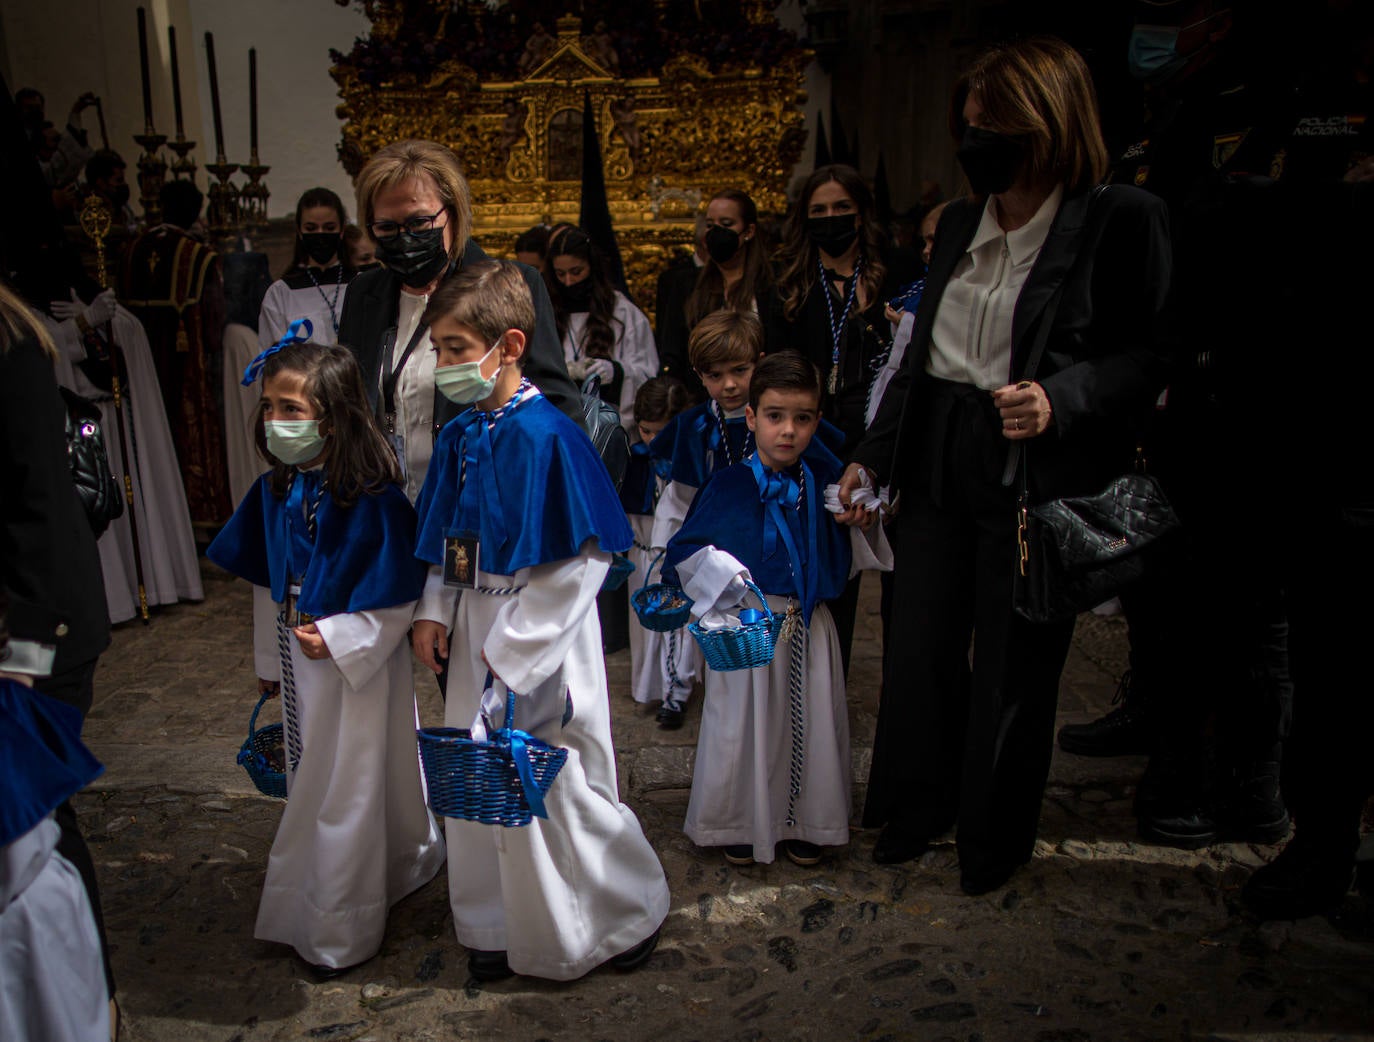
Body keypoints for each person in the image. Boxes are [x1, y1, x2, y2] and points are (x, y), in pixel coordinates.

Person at [835, 36, 1171, 895]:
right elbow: (920, 358)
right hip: (939, 449)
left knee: (1017, 660)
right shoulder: (955, 223)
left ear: (1048, 125)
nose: (976, 141)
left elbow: (1147, 353)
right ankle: (917, 810)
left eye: (995, 127)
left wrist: (1064, 397)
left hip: (1033, 463)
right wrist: (872, 458)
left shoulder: (1118, 216)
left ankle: (994, 835)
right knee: (918, 644)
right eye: (970, 125)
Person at [409, 260, 669, 982]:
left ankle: (616, 916)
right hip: (474, 638)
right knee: (479, 778)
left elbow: (579, 564)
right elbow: (454, 536)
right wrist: (435, 610)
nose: (445, 365)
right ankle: (496, 925)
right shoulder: (464, 437)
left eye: (458, 349)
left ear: (511, 344)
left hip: (540, 646)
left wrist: (514, 650)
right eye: (439, 351)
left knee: (554, 778)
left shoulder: (551, 437)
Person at [207, 334, 445, 975]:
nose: (275, 422)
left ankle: (340, 926)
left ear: (334, 418)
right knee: (312, 776)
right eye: (269, 409)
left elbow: (399, 599)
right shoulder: (275, 491)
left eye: (292, 409)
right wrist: (270, 658)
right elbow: (269, 583)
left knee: (350, 784)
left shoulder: (376, 502)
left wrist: (341, 638)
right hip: (301, 658)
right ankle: (353, 878)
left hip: (356, 670)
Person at [664, 353, 890, 867]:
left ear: (817, 419)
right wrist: (725, 576)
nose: (788, 431)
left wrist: (863, 515)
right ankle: (739, 821)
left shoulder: (829, 479)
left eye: (803, 418)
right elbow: (681, 556)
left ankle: (809, 818)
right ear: (752, 416)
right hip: (747, 625)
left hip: (809, 625)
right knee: (742, 726)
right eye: (774, 416)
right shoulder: (726, 485)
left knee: (811, 723)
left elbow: (859, 544)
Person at [336, 139, 581, 504]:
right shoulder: (364, 294)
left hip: (481, 502)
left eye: (419, 223)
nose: (405, 240)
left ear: (452, 211)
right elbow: (350, 402)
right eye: (386, 228)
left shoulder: (511, 282)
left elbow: (557, 407)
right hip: (386, 509)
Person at [0, 280, 117, 1039]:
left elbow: (35, 507)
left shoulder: (9, 344)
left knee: (33, 815)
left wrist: (21, 662)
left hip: (32, 630)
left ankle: (87, 1008)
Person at [767, 164, 919, 677]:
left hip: (887, 428)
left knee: (903, 568)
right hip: (818, 433)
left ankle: (905, 679)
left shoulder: (897, 272)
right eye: (819, 211)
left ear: (861, 212)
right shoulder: (786, 278)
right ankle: (825, 679)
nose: (831, 219)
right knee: (831, 562)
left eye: (841, 209)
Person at [44, 281, 204, 624]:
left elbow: (130, 336)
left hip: (117, 419)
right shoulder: (35, 308)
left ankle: (146, 586)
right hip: (84, 423)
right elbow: (50, 348)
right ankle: (114, 598)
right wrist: (82, 324)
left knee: (128, 502)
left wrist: (103, 322)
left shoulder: (98, 294)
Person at [645, 310, 762, 729]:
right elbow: (677, 499)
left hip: (757, 545)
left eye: (740, 371)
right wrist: (667, 550)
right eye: (714, 375)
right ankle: (677, 692)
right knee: (692, 628)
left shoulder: (772, 419)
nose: (728, 385)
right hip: (705, 548)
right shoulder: (692, 427)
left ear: (758, 363)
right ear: (699, 375)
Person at [122, 178, 231, 526]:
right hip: (187, 366)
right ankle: (202, 514)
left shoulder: (131, 249)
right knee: (192, 431)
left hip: (138, 364)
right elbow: (214, 322)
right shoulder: (197, 255)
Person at [657, 189, 773, 402]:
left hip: (765, 399)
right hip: (701, 404)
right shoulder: (686, 285)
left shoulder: (773, 284)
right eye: (710, 225)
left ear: (749, 231)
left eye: (727, 224)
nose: (717, 232)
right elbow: (672, 354)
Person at [621, 376, 691, 707]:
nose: (652, 440)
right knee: (645, 628)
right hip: (642, 552)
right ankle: (649, 689)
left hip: (679, 558)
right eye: (646, 431)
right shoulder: (634, 460)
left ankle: (676, 692)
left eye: (661, 432)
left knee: (679, 628)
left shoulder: (689, 462)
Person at [545, 224, 658, 431]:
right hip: (560, 427)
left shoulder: (622, 313)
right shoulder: (546, 313)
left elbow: (648, 373)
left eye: (576, 272)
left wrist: (617, 372)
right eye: (560, 274)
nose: (569, 282)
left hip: (610, 427)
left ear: (592, 267)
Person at [258, 188, 358, 348]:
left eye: (329, 228)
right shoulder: (280, 294)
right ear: (299, 231)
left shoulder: (361, 284)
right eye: (311, 228)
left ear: (341, 230)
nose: (320, 234)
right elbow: (271, 358)